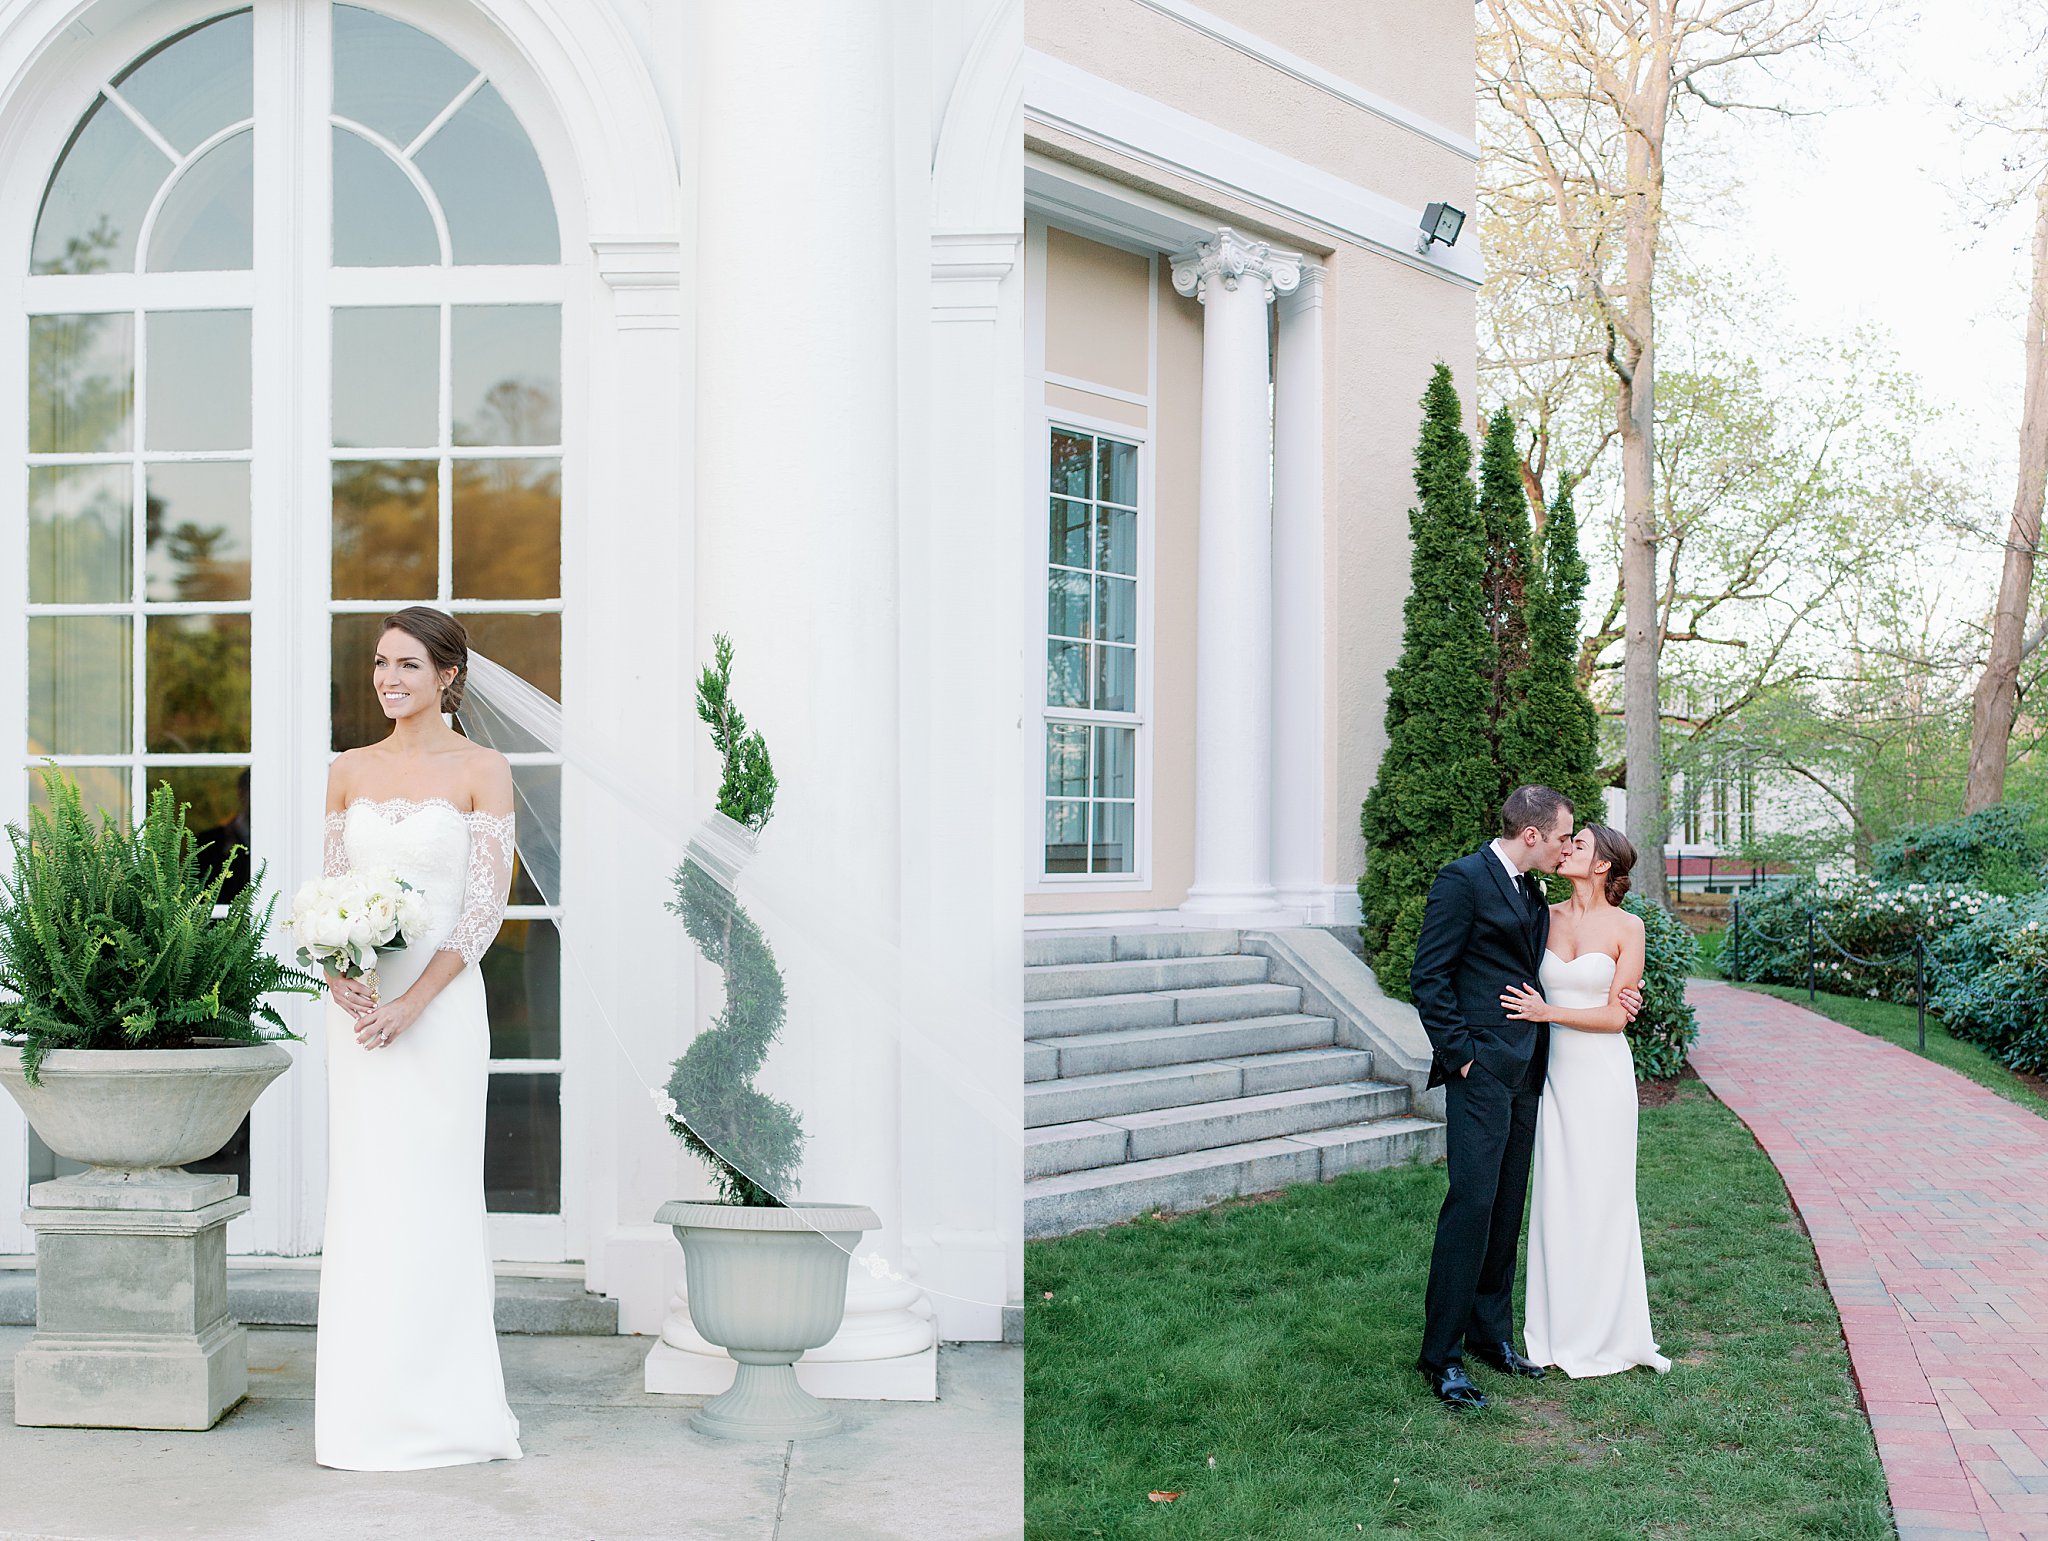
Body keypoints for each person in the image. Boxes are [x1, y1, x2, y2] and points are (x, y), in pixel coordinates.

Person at [312, 605, 523, 1470]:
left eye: (406, 664)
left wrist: (412, 1005)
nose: (388, 679)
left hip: (437, 1013)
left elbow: (480, 911)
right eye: (378, 664)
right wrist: (341, 979)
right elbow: (327, 896)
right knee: (366, 1197)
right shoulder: (348, 770)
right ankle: (362, 1416)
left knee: (431, 1196)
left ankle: (449, 1410)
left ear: (448, 676)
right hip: (359, 1016)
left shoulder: (483, 769)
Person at [1408, 785, 1642, 1411]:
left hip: (1531, 1072)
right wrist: (1460, 1058)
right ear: (1532, 835)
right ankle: (1443, 1356)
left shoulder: (1532, 890)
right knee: (1472, 1206)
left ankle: (1492, 1338)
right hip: (1480, 1072)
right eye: (1565, 836)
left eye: (1578, 841)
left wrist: (1619, 999)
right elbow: (1429, 975)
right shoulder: (1463, 880)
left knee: (1507, 1209)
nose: (1570, 845)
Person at [1505, 825, 1671, 1378]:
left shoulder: (1629, 927)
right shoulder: (1541, 916)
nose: (1566, 847)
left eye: (1578, 844)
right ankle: (1553, 1332)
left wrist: (1547, 1012)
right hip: (1551, 1077)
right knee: (1556, 1198)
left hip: (1601, 1079)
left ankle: (1607, 1332)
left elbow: (1616, 1016)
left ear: (1602, 866)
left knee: (1603, 1200)